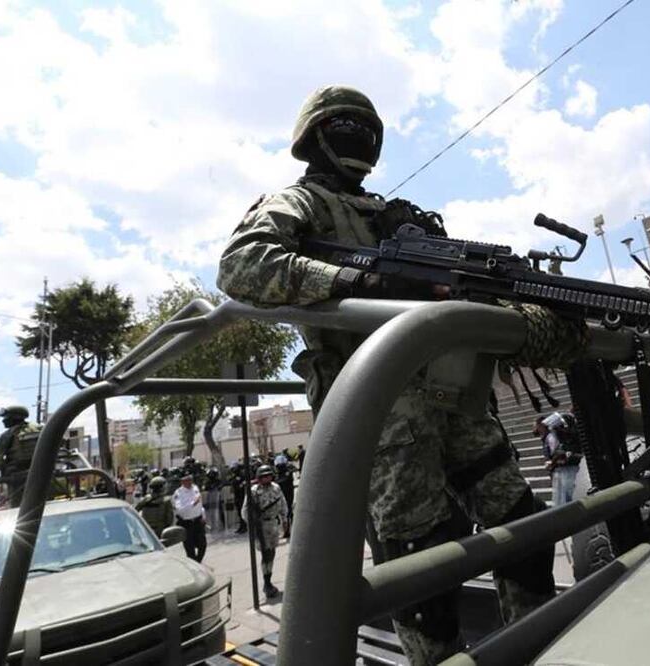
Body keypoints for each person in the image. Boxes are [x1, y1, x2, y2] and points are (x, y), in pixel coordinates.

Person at [216, 85, 586, 664]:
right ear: (313, 137)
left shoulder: (397, 214)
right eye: (344, 128)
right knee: (422, 567)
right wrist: (364, 284)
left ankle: (534, 645)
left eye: (368, 130)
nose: (359, 140)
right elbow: (243, 265)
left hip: (452, 396)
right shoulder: (299, 204)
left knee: (524, 526)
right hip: (382, 408)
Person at [243, 465, 289, 598]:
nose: (266, 478)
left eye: (268, 475)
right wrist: (252, 524)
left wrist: (285, 520)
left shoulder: (276, 487)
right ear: (259, 478)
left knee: (272, 552)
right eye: (263, 476)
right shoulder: (253, 491)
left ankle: (269, 578)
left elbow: (283, 504)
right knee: (266, 554)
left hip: (273, 524)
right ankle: (267, 582)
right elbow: (245, 511)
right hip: (261, 526)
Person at [0, 405, 41, 507]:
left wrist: (3, 467)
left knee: (19, 510)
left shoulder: (8, 435)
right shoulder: (41, 428)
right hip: (45, 474)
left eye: (6, 418)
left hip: (19, 478)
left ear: (15, 418)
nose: (3, 421)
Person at [533, 412, 582, 506]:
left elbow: (559, 452)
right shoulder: (554, 436)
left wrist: (551, 463)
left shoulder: (553, 437)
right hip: (564, 468)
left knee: (565, 500)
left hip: (564, 469)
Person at [171, 473, 207, 562]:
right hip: (187, 523)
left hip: (198, 521)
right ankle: (195, 564)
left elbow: (200, 504)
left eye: (190, 479)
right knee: (190, 548)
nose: (190, 482)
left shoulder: (195, 488)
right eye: (187, 480)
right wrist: (192, 504)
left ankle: (198, 562)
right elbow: (180, 510)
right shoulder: (178, 493)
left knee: (202, 544)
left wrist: (203, 515)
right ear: (182, 482)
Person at [273, 455, 295, 538]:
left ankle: (287, 531)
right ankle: (285, 530)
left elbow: (283, 479)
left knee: (287, 512)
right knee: (282, 513)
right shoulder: (278, 473)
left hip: (288, 494)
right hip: (281, 495)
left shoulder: (287, 471)